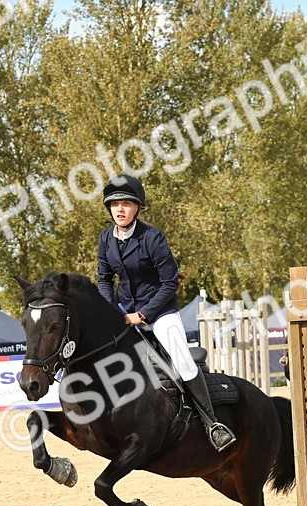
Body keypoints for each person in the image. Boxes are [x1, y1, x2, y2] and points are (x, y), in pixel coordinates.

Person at [96, 174, 235, 451]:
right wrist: (109, 311)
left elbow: (170, 283)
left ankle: (212, 424)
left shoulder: (152, 238)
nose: (120, 209)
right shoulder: (105, 239)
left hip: (159, 311)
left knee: (182, 361)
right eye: (114, 204)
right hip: (124, 311)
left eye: (126, 204)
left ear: (138, 208)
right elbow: (103, 279)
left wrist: (143, 314)